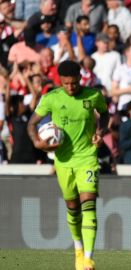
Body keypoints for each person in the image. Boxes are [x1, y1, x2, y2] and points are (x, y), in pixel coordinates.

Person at [27, 60, 109, 270]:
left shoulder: (93, 95)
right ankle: (78, 249)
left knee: (89, 203)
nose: (70, 88)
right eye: (65, 84)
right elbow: (32, 123)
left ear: (80, 79)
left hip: (87, 158)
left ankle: (89, 258)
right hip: (63, 161)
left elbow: (105, 114)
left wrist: (100, 132)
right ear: (60, 81)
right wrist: (37, 142)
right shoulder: (52, 98)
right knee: (73, 208)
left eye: (73, 83)